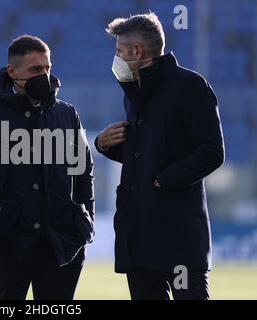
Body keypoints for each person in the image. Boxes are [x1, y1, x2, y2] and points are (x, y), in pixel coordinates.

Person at [95, 13, 225, 300]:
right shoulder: (134, 92)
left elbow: (211, 152)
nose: (115, 57)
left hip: (177, 233)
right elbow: (146, 152)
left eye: (119, 51)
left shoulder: (190, 86)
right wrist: (104, 144)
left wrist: (163, 181)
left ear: (137, 51)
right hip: (137, 234)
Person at [0, 35, 95, 300]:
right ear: (12, 72)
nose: (45, 75)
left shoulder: (67, 114)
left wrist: (85, 221)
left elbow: (83, 171)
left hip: (62, 245)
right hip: (9, 244)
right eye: (35, 69)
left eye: (48, 68)